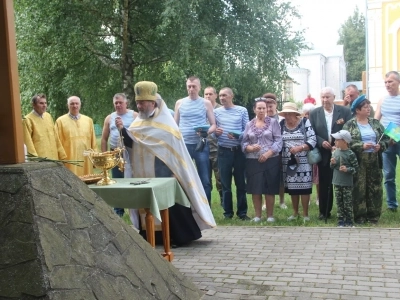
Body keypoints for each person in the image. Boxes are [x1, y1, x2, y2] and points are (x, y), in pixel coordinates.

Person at [117, 81, 215, 246]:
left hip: (166, 173)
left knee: (170, 204)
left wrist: (173, 171)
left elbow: (174, 153)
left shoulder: (167, 126)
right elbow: (133, 145)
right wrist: (123, 131)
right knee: (148, 203)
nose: (139, 106)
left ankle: (177, 236)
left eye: (143, 103)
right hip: (145, 174)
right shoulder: (137, 124)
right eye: (138, 102)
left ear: (153, 103)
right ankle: (151, 235)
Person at [344, 95, 389, 224]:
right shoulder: (350, 125)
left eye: (369, 107)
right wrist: (361, 146)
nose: (368, 109)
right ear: (357, 110)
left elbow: (385, 138)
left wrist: (380, 146)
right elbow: (344, 142)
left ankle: (374, 216)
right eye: (365, 107)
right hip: (358, 160)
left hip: (374, 159)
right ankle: (359, 216)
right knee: (359, 187)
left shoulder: (375, 123)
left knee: (375, 187)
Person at [309, 87, 352, 220]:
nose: (325, 100)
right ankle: (324, 212)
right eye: (322, 97)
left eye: (327, 97)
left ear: (334, 97)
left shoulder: (344, 111)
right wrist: (321, 142)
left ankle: (344, 212)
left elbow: (349, 129)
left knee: (342, 183)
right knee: (324, 183)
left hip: (341, 152)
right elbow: (311, 132)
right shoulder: (314, 113)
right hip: (323, 153)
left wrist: (338, 144)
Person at [174, 76, 216, 204]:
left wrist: (206, 131)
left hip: (201, 145)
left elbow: (214, 125)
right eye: (189, 86)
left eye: (194, 86)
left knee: (204, 179)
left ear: (199, 87)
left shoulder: (206, 103)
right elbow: (175, 125)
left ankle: (206, 208)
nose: (191, 89)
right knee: (182, 177)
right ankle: (185, 207)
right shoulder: (179, 103)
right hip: (183, 145)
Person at [241, 98, 282, 222]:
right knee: (255, 188)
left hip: (271, 159)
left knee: (269, 187)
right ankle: (257, 216)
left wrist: (268, 153)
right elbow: (243, 143)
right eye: (259, 108)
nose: (262, 110)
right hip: (253, 161)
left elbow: (279, 141)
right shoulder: (249, 124)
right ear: (254, 109)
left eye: (264, 108)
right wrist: (250, 148)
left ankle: (270, 216)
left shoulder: (274, 122)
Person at [214, 88, 250, 220]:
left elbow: (247, 131)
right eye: (220, 96)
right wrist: (216, 133)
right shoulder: (216, 112)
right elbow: (213, 131)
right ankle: (227, 213)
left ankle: (242, 213)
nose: (222, 98)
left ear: (231, 96)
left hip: (238, 151)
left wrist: (237, 135)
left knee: (241, 183)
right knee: (225, 183)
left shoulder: (242, 110)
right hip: (223, 150)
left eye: (225, 95)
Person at [101, 93, 138, 217]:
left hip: (130, 153)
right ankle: (118, 211)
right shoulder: (109, 118)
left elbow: (138, 136)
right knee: (116, 181)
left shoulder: (134, 115)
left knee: (132, 181)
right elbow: (104, 139)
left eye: (120, 102)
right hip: (115, 153)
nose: (118, 105)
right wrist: (104, 155)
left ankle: (135, 209)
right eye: (116, 103)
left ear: (126, 103)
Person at [279, 102, 317, 222]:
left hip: (303, 161)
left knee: (304, 187)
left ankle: (305, 214)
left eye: (290, 114)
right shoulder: (281, 124)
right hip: (288, 162)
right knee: (292, 188)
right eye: (286, 114)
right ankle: (295, 213)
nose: (287, 116)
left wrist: (300, 148)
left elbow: (313, 139)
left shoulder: (305, 122)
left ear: (296, 114)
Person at [375, 71, 400, 212]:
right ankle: (392, 205)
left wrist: (395, 136)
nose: (387, 84)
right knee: (389, 174)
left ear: (398, 82)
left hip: (397, 139)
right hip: (387, 142)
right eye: (386, 82)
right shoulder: (382, 100)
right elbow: (376, 120)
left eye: (390, 81)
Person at [55, 96, 97, 176]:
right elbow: (57, 142)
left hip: (86, 159)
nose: (75, 106)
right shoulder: (60, 121)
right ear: (68, 106)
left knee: (87, 182)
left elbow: (93, 141)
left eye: (77, 103)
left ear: (80, 105)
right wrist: (61, 159)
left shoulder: (88, 120)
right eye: (72, 104)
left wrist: (95, 158)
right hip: (70, 159)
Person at [261, 93, 287, 209]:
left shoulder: (282, 119)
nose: (269, 108)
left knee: (280, 178)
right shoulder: (259, 119)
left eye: (271, 105)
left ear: (276, 105)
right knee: (265, 178)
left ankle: (282, 201)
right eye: (266, 106)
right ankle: (265, 203)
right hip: (264, 152)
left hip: (280, 152)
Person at [22, 93, 67, 160]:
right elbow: (28, 142)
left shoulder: (48, 116)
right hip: (41, 160)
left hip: (54, 157)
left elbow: (55, 136)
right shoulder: (27, 120)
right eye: (41, 103)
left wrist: (61, 153)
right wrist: (35, 160)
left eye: (45, 103)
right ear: (33, 105)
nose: (44, 105)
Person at [329, 130, 359, 227]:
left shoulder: (350, 154)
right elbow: (332, 167)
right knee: (339, 202)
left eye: (337, 140)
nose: (334, 142)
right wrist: (332, 163)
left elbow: (356, 169)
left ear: (344, 141)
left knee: (347, 202)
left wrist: (347, 169)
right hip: (337, 181)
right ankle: (340, 220)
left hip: (347, 183)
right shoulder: (335, 152)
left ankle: (349, 220)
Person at [204, 86, 223, 205]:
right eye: (206, 94)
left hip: (217, 148)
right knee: (205, 179)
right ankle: (206, 203)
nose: (208, 96)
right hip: (204, 148)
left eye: (210, 94)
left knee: (220, 178)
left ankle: (223, 201)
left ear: (215, 95)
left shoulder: (221, 110)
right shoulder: (201, 108)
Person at [302, 103, 320, 206]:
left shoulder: (317, 121)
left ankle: (318, 198)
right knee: (306, 178)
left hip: (315, 153)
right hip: (304, 153)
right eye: (306, 113)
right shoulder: (302, 122)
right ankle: (307, 199)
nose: (307, 115)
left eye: (309, 113)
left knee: (317, 178)